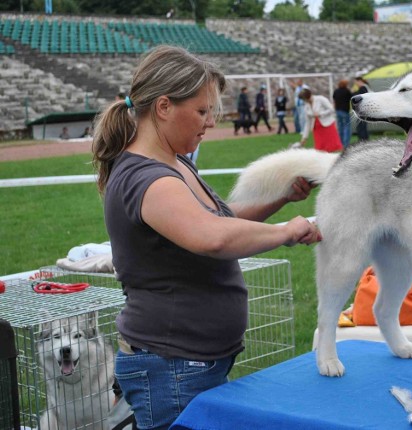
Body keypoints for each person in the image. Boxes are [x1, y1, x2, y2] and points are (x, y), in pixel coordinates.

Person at [91, 45, 321, 429]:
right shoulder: (147, 178)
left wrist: (281, 198)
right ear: (163, 107)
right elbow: (211, 236)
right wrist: (285, 233)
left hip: (186, 362)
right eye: (201, 111)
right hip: (173, 367)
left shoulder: (174, 162)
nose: (210, 122)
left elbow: (219, 218)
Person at [298, 88, 342, 152]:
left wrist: (320, 114)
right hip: (317, 129)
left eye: (305, 99)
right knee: (320, 150)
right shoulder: (306, 106)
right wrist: (304, 138)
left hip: (327, 125)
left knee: (330, 147)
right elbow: (307, 123)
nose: (305, 101)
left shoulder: (320, 99)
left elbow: (331, 109)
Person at [332, 79, 352, 149]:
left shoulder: (336, 91)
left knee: (340, 127)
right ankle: (346, 144)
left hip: (338, 111)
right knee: (347, 127)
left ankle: (340, 142)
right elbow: (351, 98)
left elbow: (334, 101)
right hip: (345, 111)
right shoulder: (347, 91)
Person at [353, 77, 370, 141]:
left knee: (361, 126)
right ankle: (364, 139)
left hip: (363, 110)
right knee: (362, 126)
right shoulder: (365, 87)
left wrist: (353, 92)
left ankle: (363, 140)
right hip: (364, 110)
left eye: (356, 82)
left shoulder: (363, 87)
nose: (356, 84)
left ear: (359, 81)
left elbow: (360, 97)